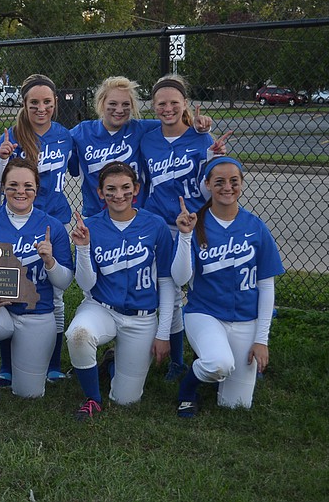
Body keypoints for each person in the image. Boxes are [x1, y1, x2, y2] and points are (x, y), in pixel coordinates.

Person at [0, 158, 74, 419]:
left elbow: (65, 282)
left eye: (27, 186)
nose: (20, 191)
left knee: (29, 393)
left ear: (37, 188)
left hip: (36, 312)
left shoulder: (52, 227)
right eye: (12, 185)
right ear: (2, 186)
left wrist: (50, 261)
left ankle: (19, 369)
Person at [172, 156, 284, 417]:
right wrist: (185, 237)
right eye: (219, 181)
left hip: (246, 320)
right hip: (206, 314)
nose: (227, 187)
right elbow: (179, 279)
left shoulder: (255, 227)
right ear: (208, 185)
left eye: (234, 181)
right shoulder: (195, 222)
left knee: (236, 405)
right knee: (219, 363)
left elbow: (266, 287)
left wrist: (261, 339)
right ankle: (187, 389)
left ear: (241, 184)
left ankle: (220, 372)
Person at [66, 161, 175, 421]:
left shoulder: (155, 225)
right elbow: (85, 284)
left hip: (142, 317)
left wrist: (163, 333)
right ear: (101, 192)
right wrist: (83, 247)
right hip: (101, 307)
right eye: (111, 189)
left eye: (126, 187)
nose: (119, 195)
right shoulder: (91, 225)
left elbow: (168, 282)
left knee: (126, 399)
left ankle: (112, 363)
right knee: (78, 335)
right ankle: (93, 398)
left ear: (136, 189)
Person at [139, 74, 231, 381]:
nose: (167, 109)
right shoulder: (148, 137)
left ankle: (212, 350)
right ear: (153, 106)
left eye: (174, 103)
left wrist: (213, 153)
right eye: (161, 104)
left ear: (186, 105)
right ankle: (176, 360)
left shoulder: (200, 137)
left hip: (192, 223)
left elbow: (208, 190)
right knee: (169, 287)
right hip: (159, 224)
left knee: (197, 287)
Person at [0, 74, 73, 384]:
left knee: (55, 296)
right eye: (34, 102)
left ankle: (52, 362)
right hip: (18, 220)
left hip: (54, 220)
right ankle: (8, 365)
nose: (41, 108)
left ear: (55, 103)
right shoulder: (11, 136)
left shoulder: (66, 135)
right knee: (10, 288)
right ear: (23, 104)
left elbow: (76, 168)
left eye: (47, 102)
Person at [68, 76, 213, 218]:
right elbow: (61, 146)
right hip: (96, 216)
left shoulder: (142, 129)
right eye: (112, 104)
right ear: (101, 103)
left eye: (125, 104)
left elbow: (174, 124)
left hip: (136, 217)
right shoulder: (82, 132)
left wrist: (197, 124)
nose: (119, 110)